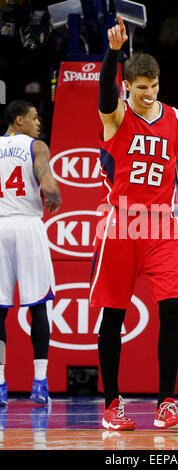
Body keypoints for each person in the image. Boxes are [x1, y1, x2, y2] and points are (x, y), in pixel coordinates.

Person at [89, 16, 178, 431]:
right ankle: (113, 406)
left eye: (153, 87)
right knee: (114, 317)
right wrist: (113, 53)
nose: (148, 94)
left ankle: (166, 403)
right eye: (141, 89)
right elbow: (105, 92)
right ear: (128, 87)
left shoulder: (175, 117)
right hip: (121, 225)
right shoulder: (116, 116)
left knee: (171, 310)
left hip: (161, 228)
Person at [0, 100, 61, 406]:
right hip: (27, 227)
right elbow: (47, 182)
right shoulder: (36, 146)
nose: (40, 123)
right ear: (19, 119)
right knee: (38, 306)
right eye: (36, 118)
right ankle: (39, 382)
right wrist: (54, 193)